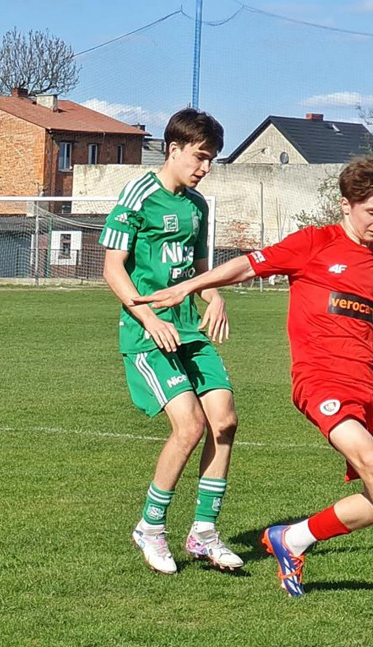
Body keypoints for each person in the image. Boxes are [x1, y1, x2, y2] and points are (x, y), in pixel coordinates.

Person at [138, 157, 373, 596]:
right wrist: (189, 287)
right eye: (372, 212)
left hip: (370, 386)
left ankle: (292, 540)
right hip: (321, 381)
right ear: (347, 205)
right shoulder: (313, 243)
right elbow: (248, 265)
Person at [100, 108, 243, 576]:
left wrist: (215, 296)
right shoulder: (138, 195)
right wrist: (147, 316)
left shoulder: (198, 206)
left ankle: (204, 533)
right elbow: (112, 269)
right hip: (148, 333)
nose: (205, 167)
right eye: (200, 157)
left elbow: (200, 271)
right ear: (173, 149)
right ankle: (151, 527)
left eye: (212, 159)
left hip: (188, 329)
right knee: (190, 426)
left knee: (224, 421)